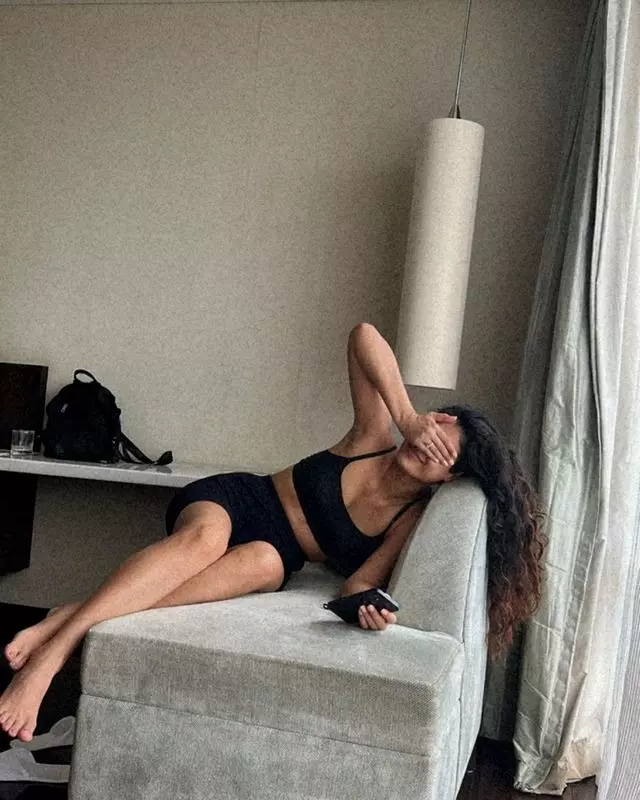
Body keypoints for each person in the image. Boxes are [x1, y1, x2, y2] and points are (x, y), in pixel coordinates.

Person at [0, 322, 545, 742]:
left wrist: (370, 610)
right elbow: (363, 336)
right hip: (240, 500)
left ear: (449, 478)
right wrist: (405, 415)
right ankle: (56, 654)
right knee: (205, 542)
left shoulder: (409, 519)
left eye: (442, 451)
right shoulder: (375, 435)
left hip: (277, 550)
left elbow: (358, 583)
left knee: (265, 563)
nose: (428, 442)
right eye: (437, 425)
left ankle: (71, 613)